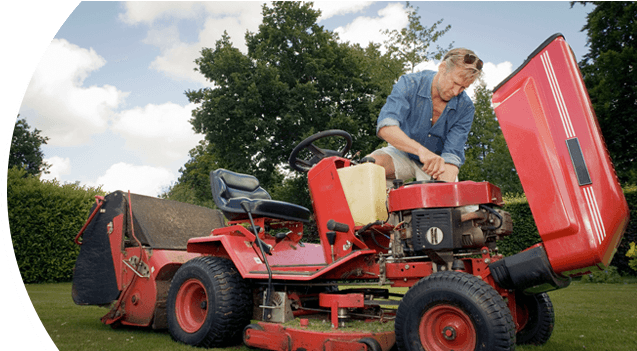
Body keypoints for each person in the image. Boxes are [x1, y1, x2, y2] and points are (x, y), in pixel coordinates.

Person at [369, 48, 483, 185]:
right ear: (442, 68)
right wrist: (421, 151)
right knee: (367, 167)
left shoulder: (466, 107)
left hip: (438, 164)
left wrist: (444, 189)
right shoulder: (409, 84)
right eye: (455, 83)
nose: (456, 92)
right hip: (403, 152)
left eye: (463, 88)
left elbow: (452, 154)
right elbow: (386, 127)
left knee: (454, 203)